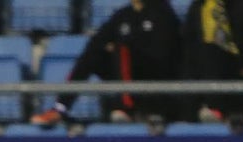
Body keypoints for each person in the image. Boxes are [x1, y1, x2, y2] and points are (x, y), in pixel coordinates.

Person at [30, 0, 181, 126]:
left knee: (122, 49)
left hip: (157, 86)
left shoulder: (163, 12)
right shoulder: (123, 15)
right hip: (126, 78)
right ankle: (60, 108)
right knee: (93, 53)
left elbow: (163, 55)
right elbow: (97, 43)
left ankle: (127, 108)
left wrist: (124, 45)